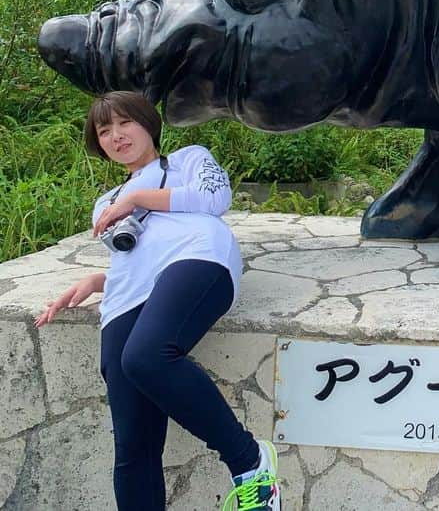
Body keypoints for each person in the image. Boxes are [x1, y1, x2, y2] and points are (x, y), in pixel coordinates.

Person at [34, 90, 282, 511]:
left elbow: (213, 199)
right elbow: (139, 259)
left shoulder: (187, 159)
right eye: (104, 130)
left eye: (124, 122)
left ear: (148, 123)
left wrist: (134, 198)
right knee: (133, 447)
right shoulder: (104, 204)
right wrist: (97, 281)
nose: (116, 135)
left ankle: (249, 461)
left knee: (146, 356)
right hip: (128, 295)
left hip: (197, 259)